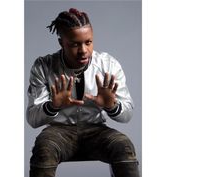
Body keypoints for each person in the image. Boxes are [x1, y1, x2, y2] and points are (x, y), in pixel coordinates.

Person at [26, 8, 140, 177]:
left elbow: (128, 115)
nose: (83, 50)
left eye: (88, 42)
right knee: (43, 150)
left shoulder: (109, 65)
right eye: (74, 44)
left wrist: (111, 106)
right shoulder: (43, 66)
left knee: (124, 146)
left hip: (96, 130)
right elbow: (32, 119)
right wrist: (53, 106)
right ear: (61, 43)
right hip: (58, 132)